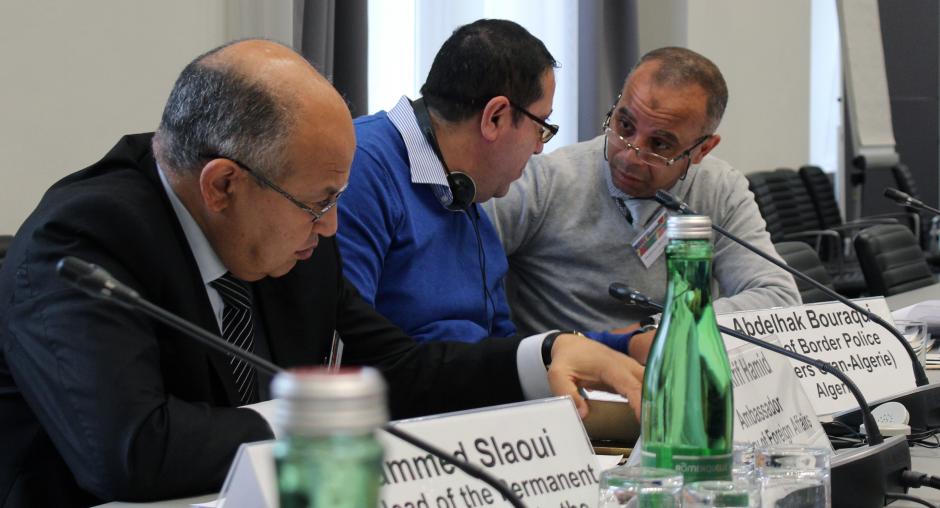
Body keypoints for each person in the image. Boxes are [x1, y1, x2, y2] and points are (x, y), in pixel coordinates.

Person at [0, 40, 644, 507]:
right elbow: (131, 450)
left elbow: (394, 371)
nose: (333, 225)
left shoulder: (282, 226)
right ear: (223, 185)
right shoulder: (85, 242)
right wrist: (322, 420)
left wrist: (542, 354)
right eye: (319, 203)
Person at [338, 20, 637, 355]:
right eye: (541, 126)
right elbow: (354, 351)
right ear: (495, 117)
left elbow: (500, 350)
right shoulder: (360, 167)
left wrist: (622, 346)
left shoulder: (463, 190)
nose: (539, 148)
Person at [484, 46, 801, 344]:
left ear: (702, 149)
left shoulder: (719, 189)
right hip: (568, 376)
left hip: (673, 368)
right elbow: (465, 270)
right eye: (624, 125)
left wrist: (654, 333)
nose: (630, 156)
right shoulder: (545, 181)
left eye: (659, 144)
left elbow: (778, 298)